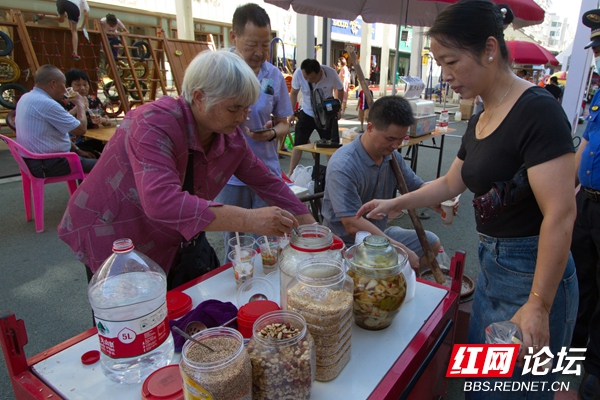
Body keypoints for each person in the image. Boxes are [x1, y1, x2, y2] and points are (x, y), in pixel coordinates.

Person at [356, 1, 577, 398]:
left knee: (516, 391)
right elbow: (450, 183)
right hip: (493, 263)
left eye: (452, 61)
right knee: (481, 383)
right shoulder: (481, 115)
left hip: (533, 275)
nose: (446, 75)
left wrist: (539, 304)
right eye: (439, 62)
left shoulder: (537, 112)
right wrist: (393, 205)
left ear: (490, 49)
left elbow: (560, 214)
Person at [58, 50, 313, 282]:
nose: (242, 118)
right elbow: (161, 200)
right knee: (134, 324)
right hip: (116, 237)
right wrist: (249, 219)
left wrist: (315, 231)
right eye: (234, 108)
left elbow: (268, 183)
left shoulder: (229, 137)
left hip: (174, 241)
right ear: (199, 98)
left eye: (246, 108)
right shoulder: (152, 122)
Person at [214, 3, 305, 258]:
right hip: (230, 173)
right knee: (236, 244)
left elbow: (284, 121)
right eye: (253, 44)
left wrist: (273, 133)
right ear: (234, 36)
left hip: (266, 168)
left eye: (266, 45)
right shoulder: (219, 70)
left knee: (268, 242)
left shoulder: (273, 74)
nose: (260, 52)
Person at [323, 96, 441, 271]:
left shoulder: (392, 157)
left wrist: (439, 201)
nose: (396, 145)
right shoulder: (343, 165)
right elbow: (352, 225)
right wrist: (398, 248)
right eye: (390, 138)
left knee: (432, 243)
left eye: (401, 139)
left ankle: (401, 282)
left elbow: (417, 187)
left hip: (380, 235)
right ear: (370, 128)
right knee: (391, 263)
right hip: (346, 245)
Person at [570, 9, 600, 399]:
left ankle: (594, 372)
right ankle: (571, 354)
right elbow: (589, 145)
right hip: (588, 204)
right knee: (580, 280)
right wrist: (569, 188)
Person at [15, 64, 97, 178]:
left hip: (32, 161)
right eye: (63, 85)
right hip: (48, 163)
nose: (64, 90)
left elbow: (58, 130)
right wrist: (80, 105)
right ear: (53, 84)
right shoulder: (47, 103)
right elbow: (81, 129)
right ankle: (90, 195)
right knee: (107, 164)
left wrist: (77, 150)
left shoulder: (27, 97)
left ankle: (85, 193)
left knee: (91, 156)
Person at [288, 58, 344, 176]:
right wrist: (291, 112)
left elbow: (340, 88)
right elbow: (294, 93)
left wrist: (339, 108)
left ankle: (332, 174)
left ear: (319, 72)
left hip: (326, 115)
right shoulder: (298, 73)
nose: (309, 80)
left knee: (330, 146)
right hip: (307, 112)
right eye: (306, 78)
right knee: (298, 145)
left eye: (312, 78)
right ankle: (290, 173)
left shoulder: (330, 73)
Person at [61, 68, 109, 156]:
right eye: (78, 85)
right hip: (75, 143)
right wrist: (76, 109)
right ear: (69, 86)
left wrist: (102, 120)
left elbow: (108, 122)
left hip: (96, 139)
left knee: (112, 152)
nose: (82, 88)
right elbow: (60, 121)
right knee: (97, 156)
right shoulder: (64, 102)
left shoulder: (93, 100)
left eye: (85, 84)